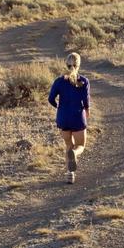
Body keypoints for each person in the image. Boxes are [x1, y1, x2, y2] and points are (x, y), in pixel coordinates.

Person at [48, 52, 90, 184]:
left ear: (66, 65)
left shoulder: (59, 81)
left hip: (63, 118)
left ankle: (70, 174)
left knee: (68, 145)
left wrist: (59, 108)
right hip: (77, 117)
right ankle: (75, 154)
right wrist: (87, 111)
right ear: (79, 65)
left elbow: (51, 99)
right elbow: (86, 100)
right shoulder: (83, 81)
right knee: (80, 146)